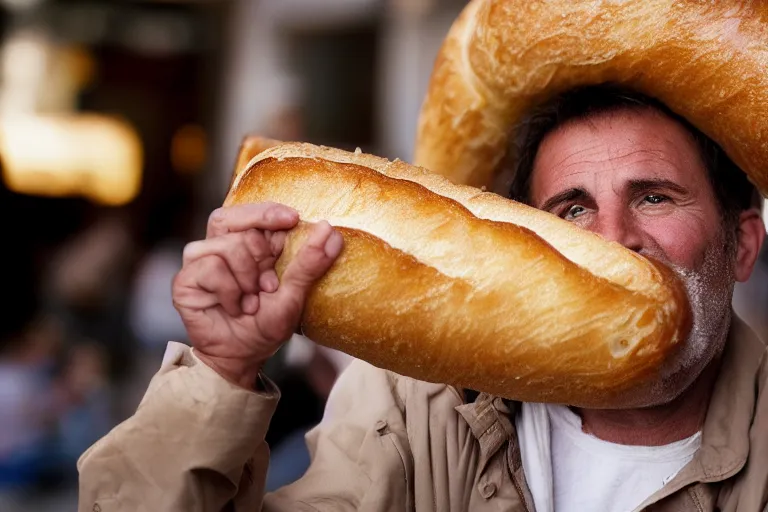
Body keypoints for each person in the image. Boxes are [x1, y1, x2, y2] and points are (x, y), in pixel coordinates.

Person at [78, 85, 767, 512]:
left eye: (654, 197)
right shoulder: (414, 406)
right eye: (573, 211)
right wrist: (218, 378)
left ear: (742, 243)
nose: (616, 241)